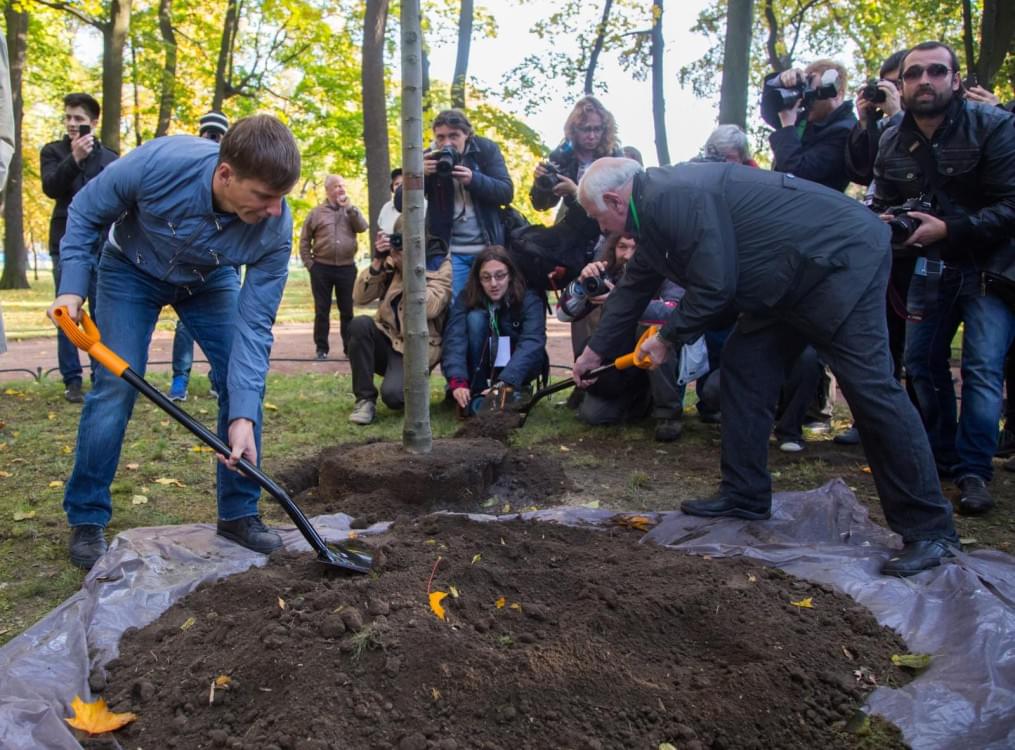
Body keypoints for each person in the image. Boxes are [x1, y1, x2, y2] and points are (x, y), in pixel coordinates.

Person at [573, 157, 959, 577]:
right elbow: (633, 289)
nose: (601, 230)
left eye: (597, 218)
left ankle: (930, 530)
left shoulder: (673, 196)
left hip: (837, 259)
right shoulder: (653, 213)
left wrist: (668, 339)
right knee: (745, 365)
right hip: (785, 278)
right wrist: (594, 353)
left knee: (871, 391)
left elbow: (715, 285)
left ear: (614, 200)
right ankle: (745, 492)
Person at [48, 114, 301, 570]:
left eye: (282, 197)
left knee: (242, 382)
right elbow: (85, 211)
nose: (274, 210)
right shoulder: (160, 162)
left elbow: (254, 328)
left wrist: (242, 414)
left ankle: (239, 513)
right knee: (116, 386)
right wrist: (72, 288)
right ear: (226, 174)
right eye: (264, 196)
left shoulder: (275, 228)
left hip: (210, 279)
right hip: (130, 269)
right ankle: (86, 517)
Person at [872, 41, 1015, 517]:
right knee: (919, 361)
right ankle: (940, 456)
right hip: (929, 264)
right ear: (902, 84)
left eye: (937, 71)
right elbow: (885, 199)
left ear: (955, 80)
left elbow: (1012, 205)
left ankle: (975, 470)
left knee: (982, 367)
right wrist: (888, 223)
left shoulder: (994, 125)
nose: (924, 81)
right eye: (914, 74)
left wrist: (953, 228)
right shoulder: (891, 137)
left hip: (992, 266)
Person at [557, 233, 684, 441]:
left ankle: (668, 413)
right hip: (618, 360)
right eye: (622, 247)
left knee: (652, 330)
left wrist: (621, 301)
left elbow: (673, 311)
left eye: (635, 248)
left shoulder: (668, 270)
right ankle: (601, 390)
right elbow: (563, 315)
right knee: (594, 416)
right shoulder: (607, 272)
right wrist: (581, 285)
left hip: (656, 357)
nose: (627, 255)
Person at [532, 96, 623, 361]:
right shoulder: (561, 156)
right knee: (579, 304)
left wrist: (575, 192)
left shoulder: (614, 157)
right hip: (574, 241)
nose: (592, 135)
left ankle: (602, 371)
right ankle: (581, 373)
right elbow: (541, 205)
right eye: (586, 129)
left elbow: (615, 205)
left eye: (597, 129)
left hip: (607, 235)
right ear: (575, 129)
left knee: (603, 302)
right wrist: (540, 183)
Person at [41, 93, 118, 403]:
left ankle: (102, 373)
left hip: (104, 245)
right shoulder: (53, 152)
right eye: (68, 118)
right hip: (65, 242)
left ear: (93, 123)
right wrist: (72, 160)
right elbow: (51, 188)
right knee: (67, 310)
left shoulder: (110, 158)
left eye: (79, 119)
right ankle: (71, 379)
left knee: (102, 311)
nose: (72, 124)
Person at [397, 109, 513, 299]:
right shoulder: (428, 157)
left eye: (454, 136)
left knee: (487, 309)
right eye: (440, 137)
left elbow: (506, 192)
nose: (446, 143)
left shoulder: (485, 150)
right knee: (454, 308)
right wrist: (417, 176)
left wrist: (473, 179)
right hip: (447, 253)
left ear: (467, 134)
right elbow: (400, 203)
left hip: (487, 249)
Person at [346, 223, 452, 425]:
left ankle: (407, 384)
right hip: (387, 336)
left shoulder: (440, 263)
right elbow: (360, 297)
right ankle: (365, 400)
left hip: (416, 347)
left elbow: (430, 308)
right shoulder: (390, 260)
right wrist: (377, 261)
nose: (402, 246)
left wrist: (409, 268)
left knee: (394, 397)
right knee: (359, 325)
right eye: (399, 239)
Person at [169, 110, 232, 402]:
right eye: (208, 133)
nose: (212, 139)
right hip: (189, 266)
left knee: (228, 328)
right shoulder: (186, 168)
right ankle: (180, 377)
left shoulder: (234, 172)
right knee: (185, 326)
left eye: (218, 135)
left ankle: (219, 380)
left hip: (224, 262)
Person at [443, 246, 547, 416]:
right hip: (479, 367)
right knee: (475, 318)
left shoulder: (529, 299)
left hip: (516, 367)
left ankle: (514, 390)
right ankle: (475, 392)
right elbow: (454, 339)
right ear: (478, 279)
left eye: (500, 276)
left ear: (511, 275)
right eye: (486, 277)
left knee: (526, 354)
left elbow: (532, 341)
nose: (493, 284)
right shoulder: (465, 297)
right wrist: (458, 381)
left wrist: (506, 381)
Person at [299, 174, 368, 360]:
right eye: (337, 186)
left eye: (343, 186)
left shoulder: (351, 210)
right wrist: (310, 265)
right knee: (322, 310)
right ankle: (321, 349)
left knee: (347, 310)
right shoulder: (316, 213)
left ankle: (349, 349)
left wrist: (351, 209)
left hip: (346, 268)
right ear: (328, 189)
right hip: (321, 268)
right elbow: (304, 240)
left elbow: (362, 227)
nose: (341, 189)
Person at [762, 59, 857, 192]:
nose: (806, 100)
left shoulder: (845, 131)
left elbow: (797, 173)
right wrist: (780, 80)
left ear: (836, 94)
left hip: (815, 208)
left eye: (814, 94)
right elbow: (770, 112)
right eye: (805, 91)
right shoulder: (811, 118)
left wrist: (788, 126)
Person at [377, 168, 403, 235]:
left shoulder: (424, 204)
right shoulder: (386, 208)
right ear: (392, 188)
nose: (400, 187)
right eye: (397, 184)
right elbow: (381, 231)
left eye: (403, 183)